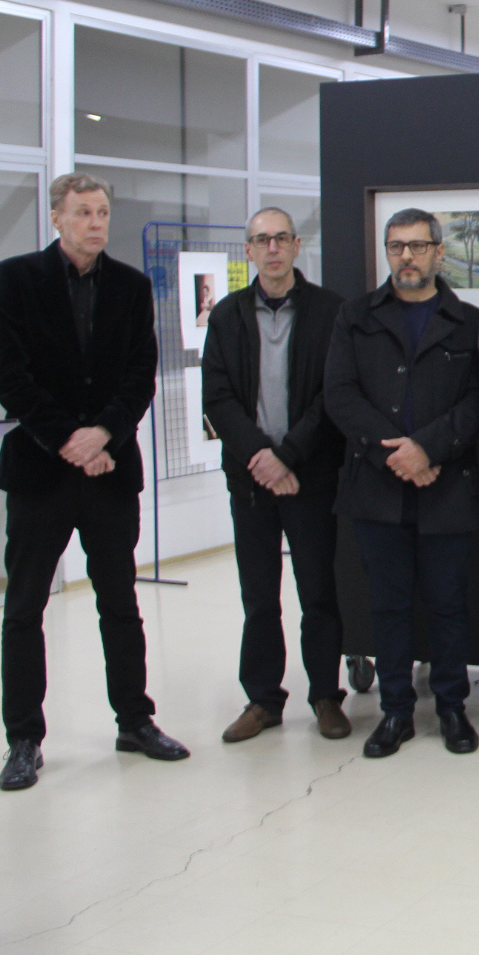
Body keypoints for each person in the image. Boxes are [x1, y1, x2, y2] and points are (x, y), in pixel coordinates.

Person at [0, 172, 187, 791]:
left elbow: (140, 374)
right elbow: (10, 377)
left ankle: (135, 721)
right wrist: (71, 443)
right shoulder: (16, 279)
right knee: (25, 608)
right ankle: (24, 738)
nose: (96, 222)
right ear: (56, 218)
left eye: (102, 212)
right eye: (83, 212)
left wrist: (102, 435)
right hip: (40, 474)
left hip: (109, 473)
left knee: (120, 603)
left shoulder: (131, 286)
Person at [325, 209, 479, 759]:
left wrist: (429, 450)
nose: (407, 257)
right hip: (377, 486)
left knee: (448, 605)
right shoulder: (355, 317)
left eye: (418, 246)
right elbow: (340, 395)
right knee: (388, 605)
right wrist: (395, 455)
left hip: (448, 485)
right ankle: (396, 710)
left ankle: (451, 707)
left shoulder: (468, 321)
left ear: (439, 253)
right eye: (396, 247)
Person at [203, 208, 350, 743]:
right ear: (248, 250)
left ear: (295, 246)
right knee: (259, 596)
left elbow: (333, 394)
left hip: (310, 476)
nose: (272, 249)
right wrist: (263, 460)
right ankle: (263, 700)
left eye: (281, 238)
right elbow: (218, 397)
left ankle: (326, 696)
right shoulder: (226, 316)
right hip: (251, 482)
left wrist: (288, 456)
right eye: (261, 240)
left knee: (319, 593)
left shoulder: (330, 311)